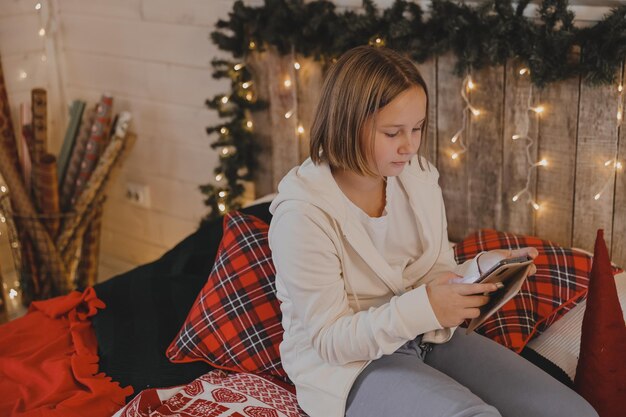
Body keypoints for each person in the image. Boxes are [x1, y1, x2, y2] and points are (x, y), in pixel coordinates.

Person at [268, 45, 598, 417]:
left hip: (431, 336)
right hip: (351, 366)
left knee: (571, 412)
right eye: (393, 132)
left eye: (418, 128)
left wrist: (483, 271)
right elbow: (331, 341)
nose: (410, 146)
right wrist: (425, 306)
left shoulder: (417, 178)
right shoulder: (303, 215)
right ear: (347, 123)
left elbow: (434, 271)